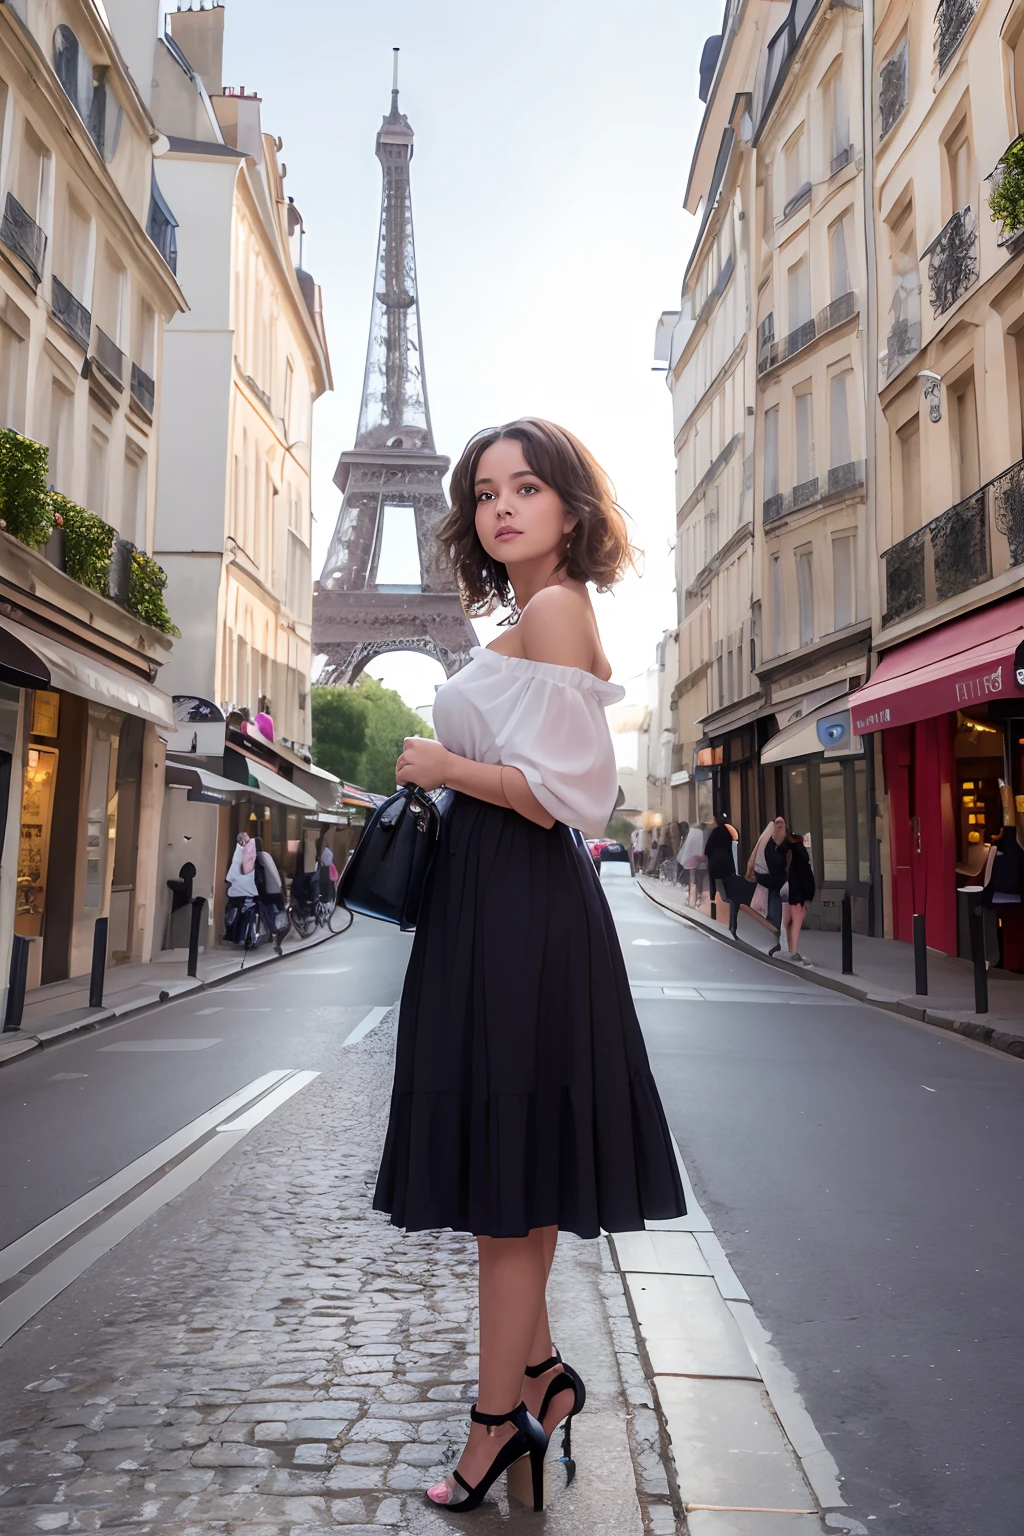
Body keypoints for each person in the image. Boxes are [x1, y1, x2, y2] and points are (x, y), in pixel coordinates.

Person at [373, 418, 686, 1512]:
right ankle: (542, 1377)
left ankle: (494, 1423)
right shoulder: (536, 611)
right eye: (486, 490)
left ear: (568, 506)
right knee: (517, 1164)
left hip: (516, 905)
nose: (502, 506)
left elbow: (569, 791)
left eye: (527, 486)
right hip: (499, 903)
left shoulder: (555, 608)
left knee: (508, 1190)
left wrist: (443, 762)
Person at [780, 832, 815, 964]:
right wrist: (806, 895)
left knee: (787, 922)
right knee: (796, 921)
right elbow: (805, 876)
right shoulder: (800, 853)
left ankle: (788, 950)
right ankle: (793, 952)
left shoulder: (784, 852)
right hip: (796, 893)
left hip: (784, 890)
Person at [223, 832, 258, 944]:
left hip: (238, 891)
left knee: (238, 912)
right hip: (245, 892)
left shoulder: (241, 853)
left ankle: (237, 936)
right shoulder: (247, 853)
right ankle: (241, 936)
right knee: (243, 913)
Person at [704, 811, 739, 908]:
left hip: (715, 862)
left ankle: (713, 899)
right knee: (727, 882)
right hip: (727, 861)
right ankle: (730, 899)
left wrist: (708, 855)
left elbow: (708, 848)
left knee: (713, 881)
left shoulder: (715, 831)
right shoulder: (731, 831)